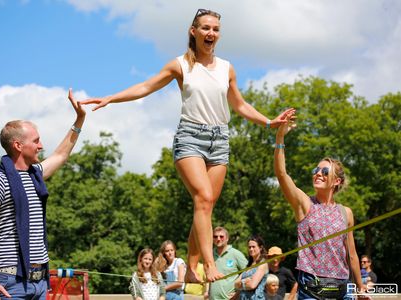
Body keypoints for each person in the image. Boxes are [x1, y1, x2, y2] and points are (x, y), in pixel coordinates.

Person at [78, 8, 295, 283]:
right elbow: (146, 87)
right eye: (205, 28)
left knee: (206, 206)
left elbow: (238, 104)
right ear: (193, 31)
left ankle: (191, 269)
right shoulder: (180, 65)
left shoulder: (227, 68)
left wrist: (268, 122)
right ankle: (207, 263)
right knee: (203, 198)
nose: (211, 33)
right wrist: (111, 98)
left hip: (220, 139)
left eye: (215, 29)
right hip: (190, 136)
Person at [0, 89, 85, 300]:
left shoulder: (36, 175)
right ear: (18, 145)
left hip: (40, 283)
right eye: (36, 141)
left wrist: (79, 119)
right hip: (10, 283)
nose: (41, 146)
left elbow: (61, 154)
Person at [273, 118, 366, 299]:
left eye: (324, 172)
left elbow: (352, 255)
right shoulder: (304, 204)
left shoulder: (345, 212)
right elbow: (281, 174)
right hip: (311, 289)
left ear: (337, 181)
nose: (317, 173)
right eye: (316, 170)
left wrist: (360, 288)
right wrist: (280, 139)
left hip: (343, 289)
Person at [209, 227, 248, 300]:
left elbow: (248, 273)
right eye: (215, 236)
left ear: (227, 238)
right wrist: (206, 292)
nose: (218, 239)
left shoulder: (236, 254)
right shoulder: (210, 255)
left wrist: (239, 292)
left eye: (221, 236)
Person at [234, 235, 268, 300]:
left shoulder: (263, 264)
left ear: (260, 248)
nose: (251, 249)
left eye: (253, 247)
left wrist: (241, 283)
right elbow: (235, 283)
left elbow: (252, 285)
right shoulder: (249, 265)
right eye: (249, 247)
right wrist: (245, 282)